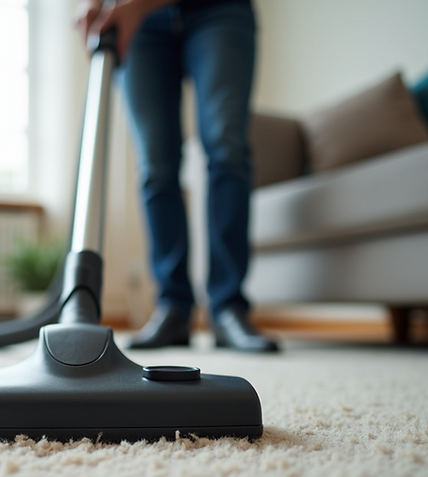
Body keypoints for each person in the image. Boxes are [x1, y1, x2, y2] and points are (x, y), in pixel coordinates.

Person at [75, 0, 279, 352]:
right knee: (155, 165)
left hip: (219, 11)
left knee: (226, 148)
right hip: (140, 25)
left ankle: (228, 306)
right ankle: (173, 307)